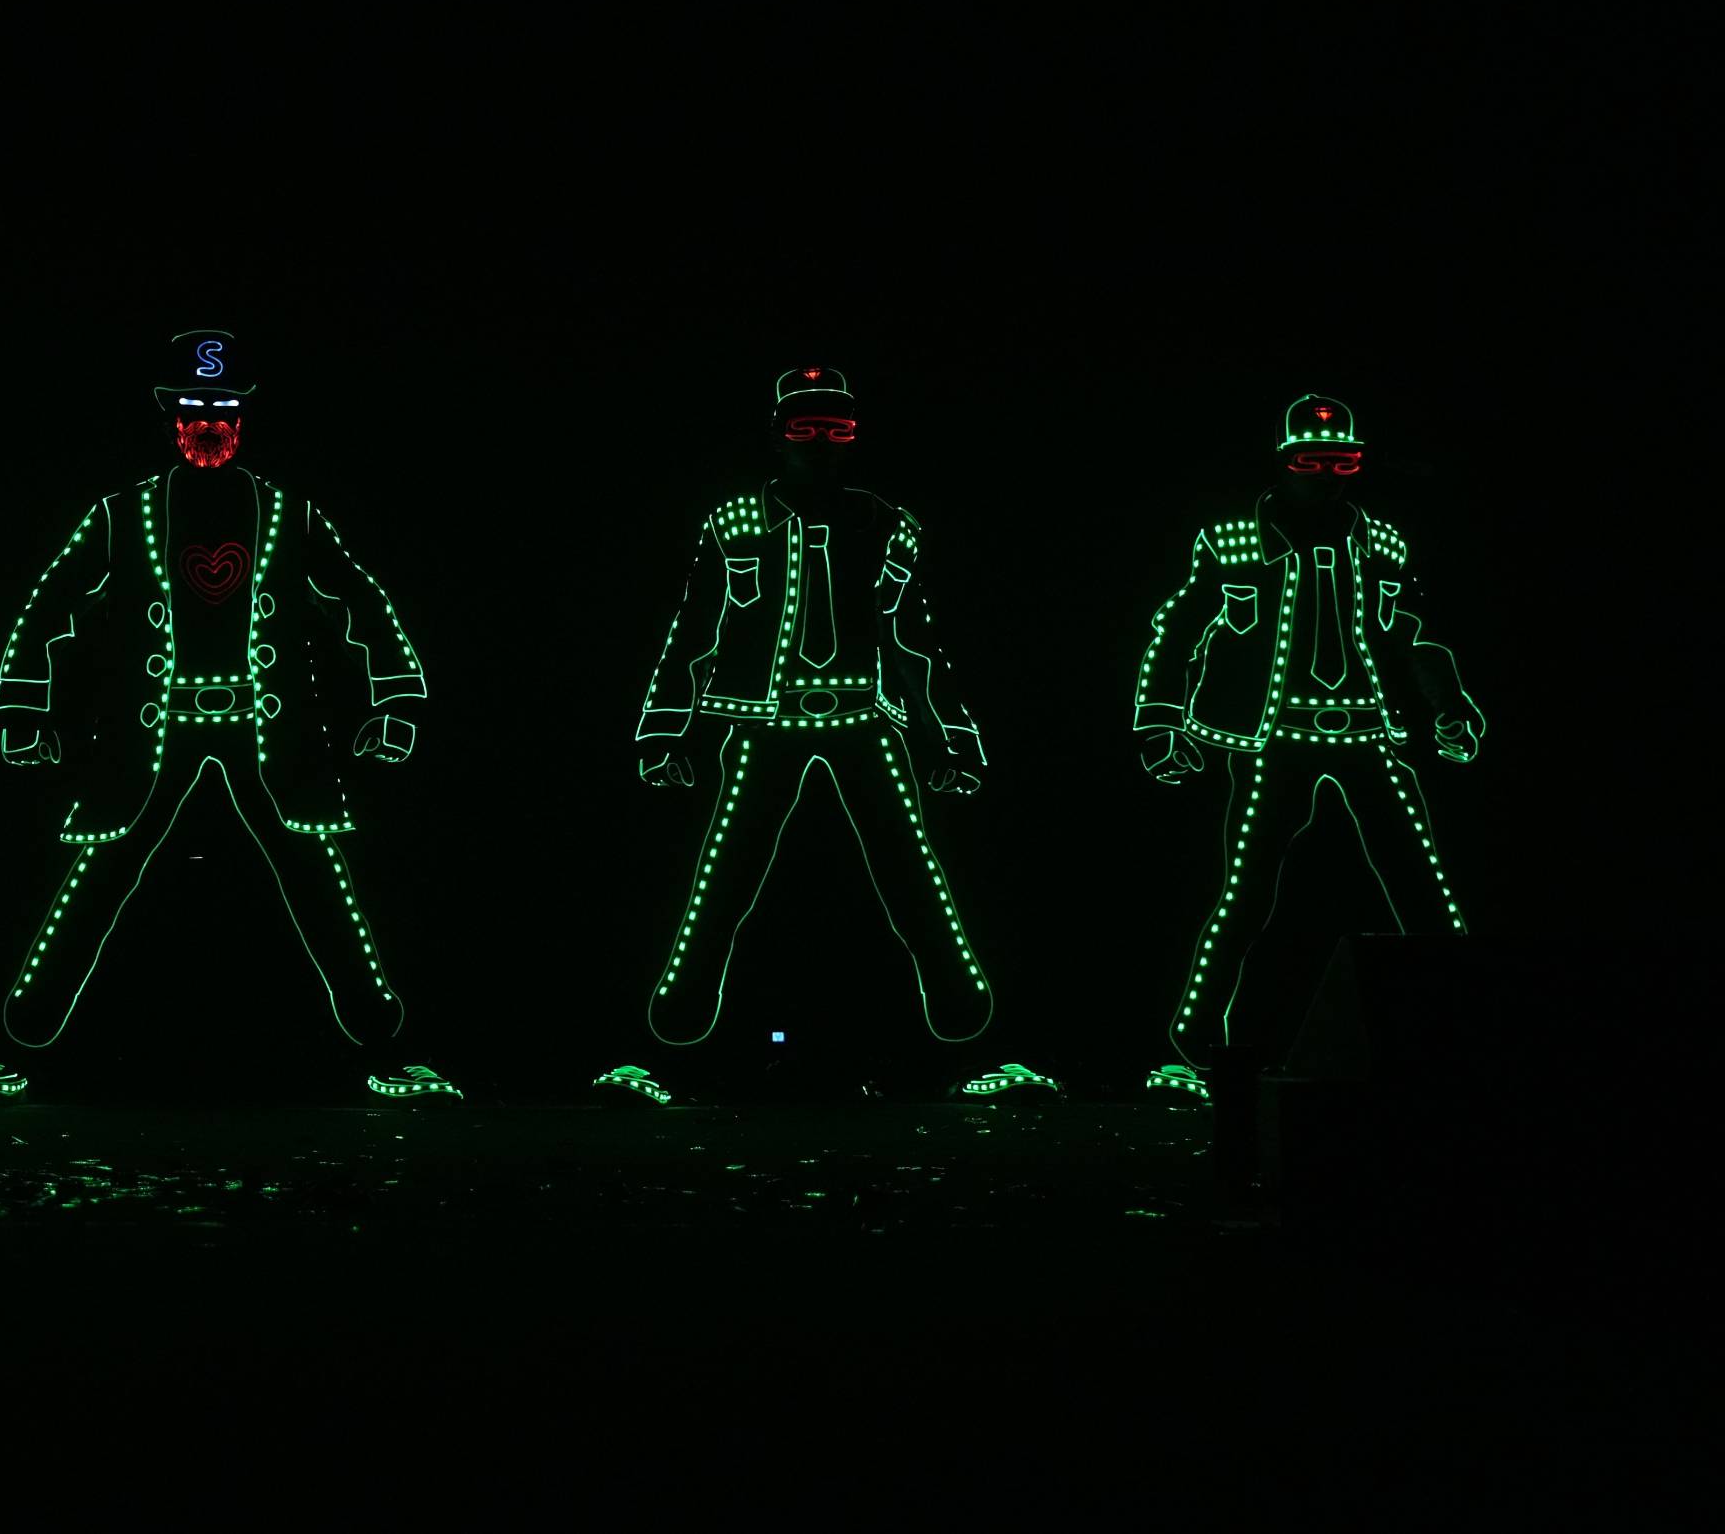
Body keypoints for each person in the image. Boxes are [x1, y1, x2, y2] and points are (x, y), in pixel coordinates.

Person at [0, 330, 457, 1103]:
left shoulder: (289, 513)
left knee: (322, 882)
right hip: (152, 729)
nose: (209, 422)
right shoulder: (122, 514)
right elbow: (52, 604)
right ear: (171, 418)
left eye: (223, 408)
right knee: (95, 877)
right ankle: (16, 1045)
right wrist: (25, 705)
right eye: (194, 408)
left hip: (269, 728)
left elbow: (358, 599)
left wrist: (395, 699)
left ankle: (387, 1049)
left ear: (243, 419)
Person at [598, 366, 1030, 1105]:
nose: (823, 441)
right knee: (726, 871)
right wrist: (664, 730)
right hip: (764, 722)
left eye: (839, 427)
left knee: (909, 863)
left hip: (863, 718)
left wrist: (954, 739)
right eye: (806, 426)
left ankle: (960, 1002)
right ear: (778, 435)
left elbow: (916, 641)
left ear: (855, 436)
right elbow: (695, 629)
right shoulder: (735, 523)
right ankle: (682, 1007)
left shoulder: (888, 525)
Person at [1132, 393, 1481, 1098]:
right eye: (1310, 462)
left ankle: (1471, 1017)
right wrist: (1160, 720)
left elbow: (1413, 634)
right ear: (1283, 462)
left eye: (1343, 462)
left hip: (1367, 733)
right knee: (1248, 890)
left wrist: (1451, 705)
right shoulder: (1232, 542)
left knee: (1420, 881)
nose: (1327, 476)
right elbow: (1178, 626)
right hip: (1275, 740)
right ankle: (1197, 1035)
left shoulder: (1383, 545)